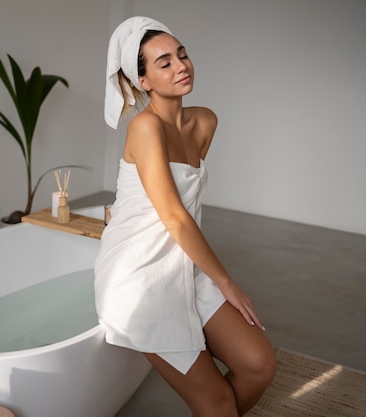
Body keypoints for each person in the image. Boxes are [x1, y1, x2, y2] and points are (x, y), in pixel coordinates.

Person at [94, 16, 276, 416]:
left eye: (182, 54)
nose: (181, 66)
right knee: (216, 401)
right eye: (164, 63)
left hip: (185, 264)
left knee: (260, 365)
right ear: (144, 82)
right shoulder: (144, 126)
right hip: (141, 276)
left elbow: (180, 194)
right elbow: (174, 216)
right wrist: (227, 282)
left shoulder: (204, 122)